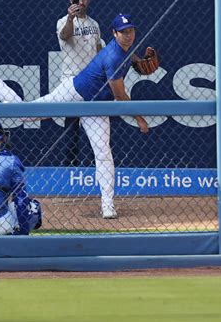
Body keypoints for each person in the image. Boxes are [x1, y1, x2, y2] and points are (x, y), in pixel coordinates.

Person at [31, 13, 150, 219]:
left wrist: (138, 60)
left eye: (131, 31)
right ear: (114, 33)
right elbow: (120, 96)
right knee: (28, 114)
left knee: (103, 153)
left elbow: (129, 55)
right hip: (73, 93)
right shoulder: (113, 57)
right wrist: (140, 119)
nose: (128, 36)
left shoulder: (124, 49)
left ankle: (107, 205)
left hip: (95, 107)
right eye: (123, 32)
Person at [56, 0, 104, 166]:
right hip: (71, 83)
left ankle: (94, 173)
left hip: (92, 84)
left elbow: (99, 52)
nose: (81, 2)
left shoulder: (94, 24)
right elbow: (65, 36)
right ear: (71, 1)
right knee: (71, 132)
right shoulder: (63, 21)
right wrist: (71, 18)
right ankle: (70, 175)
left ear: (88, 0)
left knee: (96, 133)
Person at [0, 119, 42, 235]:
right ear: (3, 138)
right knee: (33, 206)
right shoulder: (10, 160)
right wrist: (23, 232)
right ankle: (14, 238)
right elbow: (20, 199)